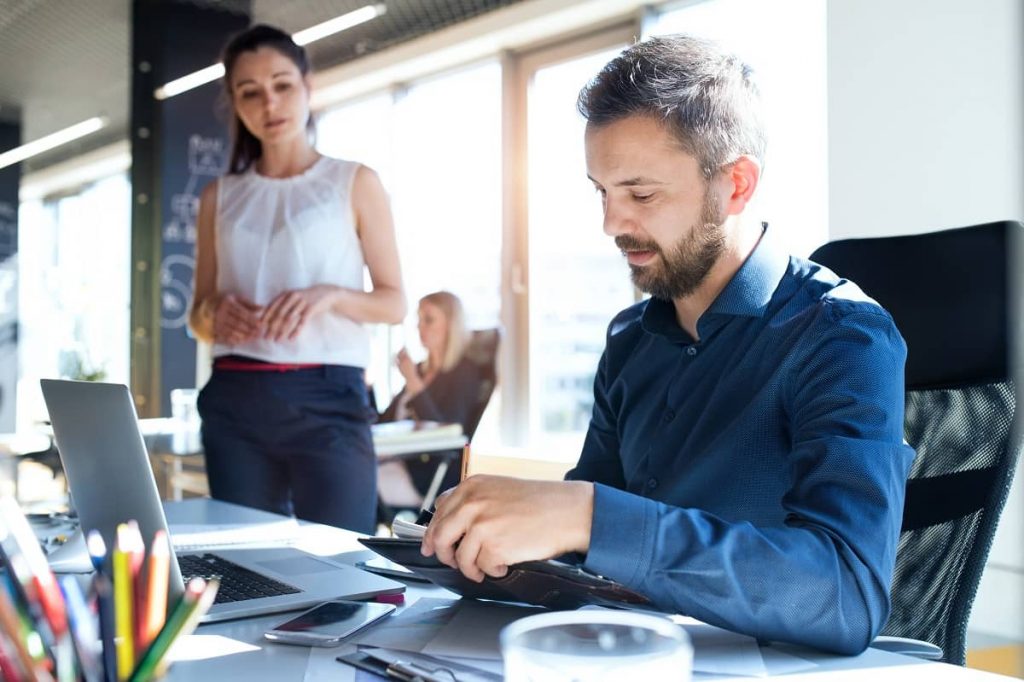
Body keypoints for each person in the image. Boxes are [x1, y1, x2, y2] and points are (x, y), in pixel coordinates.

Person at [421, 34, 915, 655]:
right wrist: (505, 539)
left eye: (641, 194)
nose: (611, 223)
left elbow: (846, 592)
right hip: (624, 654)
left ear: (735, 185)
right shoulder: (629, 342)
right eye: (601, 192)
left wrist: (588, 516)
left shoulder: (842, 337)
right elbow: (585, 549)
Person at [188, 24, 405, 534]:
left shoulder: (354, 182)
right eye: (251, 92)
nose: (271, 103)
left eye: (282, 84)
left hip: (329, 396)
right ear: (235, 103)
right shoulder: (218, 197)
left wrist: (329, 296)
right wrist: (215, 314)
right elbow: (198, 316)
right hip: (236, 399)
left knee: (345, 563)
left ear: (308, 86)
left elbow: (395, 304)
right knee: (250, 566)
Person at [377, 292, 488, 508]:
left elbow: (447, 430)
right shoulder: (419, 369)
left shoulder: (463, 373)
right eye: (419, 320)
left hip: (426, 475)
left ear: (451, 325)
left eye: (429, 319)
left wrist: (413, 381)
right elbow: (384, 423)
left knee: (353, 478)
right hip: (392, 462)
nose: (420, 327)